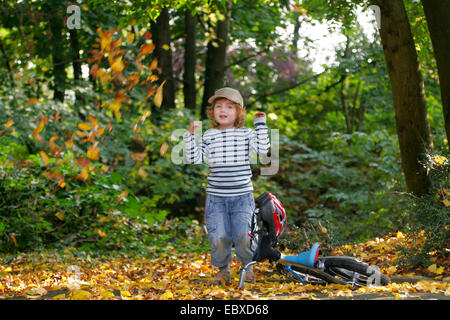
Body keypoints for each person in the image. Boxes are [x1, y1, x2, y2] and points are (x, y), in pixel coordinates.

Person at [183, 87, 270, 284]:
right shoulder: (209, 136)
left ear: (238, 111)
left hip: (242, 196)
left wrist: (260, 124)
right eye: (218, 106)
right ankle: (223, 270)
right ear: (212, 112)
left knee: (243, 235)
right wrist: (190, 136)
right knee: (218, 236)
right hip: (216, 198)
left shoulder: (246, 134)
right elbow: (194, 158)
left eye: (229, 107)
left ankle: (248, 267)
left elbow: (263, 150)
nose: (223, 110)